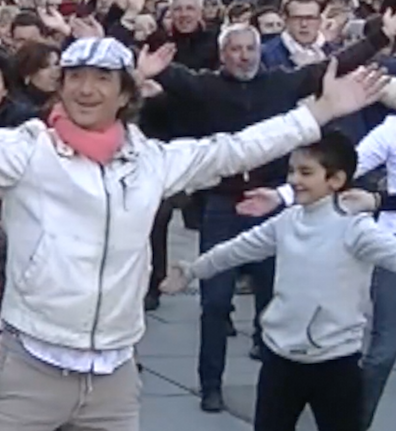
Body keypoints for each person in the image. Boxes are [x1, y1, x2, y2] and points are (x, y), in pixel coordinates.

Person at [0, 34, 387, 431]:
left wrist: (322, 112)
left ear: (124, 95)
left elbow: (238, 146)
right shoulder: (27, 151)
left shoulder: (155, 162)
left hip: (114, 379)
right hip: (30, 369)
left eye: (101, 80)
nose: (86, 89)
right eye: (75, 78)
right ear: (60, 87)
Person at [161, 130, 396, 431]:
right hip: (280, 361)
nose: (295, 179)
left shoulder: (356, 229)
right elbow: (237, 249)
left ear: (335, 180)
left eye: (306, 172)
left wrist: (378, 202)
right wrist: (193, 270)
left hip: (336, 363)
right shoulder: (287, 221)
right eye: (291, 171)